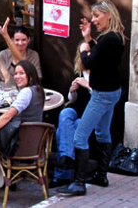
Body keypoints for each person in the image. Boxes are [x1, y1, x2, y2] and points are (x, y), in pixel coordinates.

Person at [59, 0, 127, 196]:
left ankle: (79, 183)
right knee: (102, 132)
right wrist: (88, 37)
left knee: (80, 136)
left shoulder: (108, 39)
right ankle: (101, 175)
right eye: (93, 16)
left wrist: (83, 49)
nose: (94, 20)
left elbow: (90, 62)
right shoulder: (117, 38)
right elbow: (101, 55)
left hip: (102, 94)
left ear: (109, 15)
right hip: (112, 92)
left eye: (97, 16)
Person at [0, 60, 45, 156]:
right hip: (35, 146)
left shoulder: (26, 92)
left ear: (30, 76)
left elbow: (7, 116)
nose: (17, 77)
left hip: (18, 147)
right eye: (16, 73)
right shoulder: (39, 90)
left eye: (21, 73)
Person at [51, 43, 93, 188]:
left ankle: (62, 173)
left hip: (91, 115)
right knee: (65, 113)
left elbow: (100, 98)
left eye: (88, 52)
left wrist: (88, 86)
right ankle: (67, 159)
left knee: (62, 131)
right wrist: (72, 91)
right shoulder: (79, 73)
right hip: (77, 111)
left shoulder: (100, 75)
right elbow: (72, 100)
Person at [0, 18, 42, 89]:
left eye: (23, 40)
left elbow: (36, 78)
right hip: (5, 93)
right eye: (17, 40)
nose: (20, 43)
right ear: (12, 40)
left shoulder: (33, 55)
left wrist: (6, 37)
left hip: (26, 93)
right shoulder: (4, 54)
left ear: (29, 40)